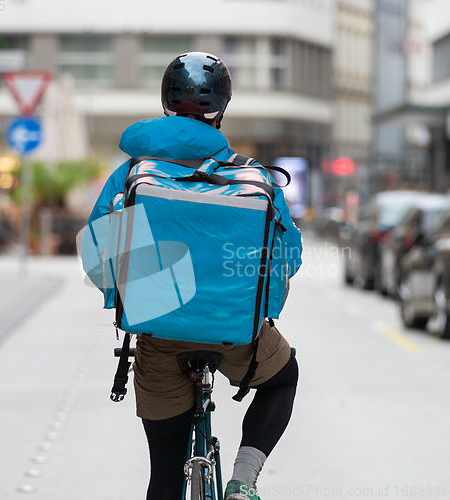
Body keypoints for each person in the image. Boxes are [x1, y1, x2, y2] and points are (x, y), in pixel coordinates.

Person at [85, 52, 302, 500]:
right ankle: (242, 481)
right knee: (284, 377)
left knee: (164, 476)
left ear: (166, 101)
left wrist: (132, 298)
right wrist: (257, 306)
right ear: (221, 107)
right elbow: (288, 257)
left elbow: (98, 255)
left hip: (159, 331)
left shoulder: (132, 174)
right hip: (237, 333)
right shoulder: (253, 176)